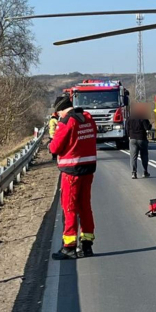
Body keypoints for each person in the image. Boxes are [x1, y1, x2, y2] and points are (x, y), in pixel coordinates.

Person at [49, 95, 97, 260]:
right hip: (88, 169)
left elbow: (55, 148)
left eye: (58, 113)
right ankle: (87, 245)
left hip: (71, 171)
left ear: (60, 110)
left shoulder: (66, 122)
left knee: (69, 207)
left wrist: (53, 137)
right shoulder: (88, 119)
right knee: (85, 206)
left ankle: (69, 247)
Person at [126, 102, 153, 178]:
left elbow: (127, 129)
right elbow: (147, 128)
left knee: (133, 157)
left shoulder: (129, 118)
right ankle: (145, 172)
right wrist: (150, 125)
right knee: (144, 155)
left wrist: (129, 136)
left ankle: (133, 173)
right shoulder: (143, 117)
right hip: (142, 138)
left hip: (132, 139)